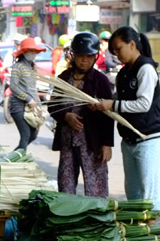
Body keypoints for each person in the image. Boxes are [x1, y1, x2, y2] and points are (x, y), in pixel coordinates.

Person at [94, 26, 160, 212]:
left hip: (147, 139)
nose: (116, 55)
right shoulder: (124, 72)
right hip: (129, 140)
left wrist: (113, 105)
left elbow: (143, 104)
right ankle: (137, 230)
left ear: (132, 44)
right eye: (113, 51)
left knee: (149, 197)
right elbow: (120, 98)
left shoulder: (146, 69)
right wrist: (103, 103)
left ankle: (149, 232)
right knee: (133, 194)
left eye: (118, 49)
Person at [48, 32, 114, 198]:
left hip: (92, 142)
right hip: (67, 141)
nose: (85, 60)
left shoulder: (101, 80)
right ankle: (68, 218)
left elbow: (109, 116)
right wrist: (66, 116)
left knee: (95, 187)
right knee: (66, 184)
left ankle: (96, 219)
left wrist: (107, 144)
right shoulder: (63, 78)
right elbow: (52, 106)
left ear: (95, 56)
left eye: (89, 56)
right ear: (73, 55)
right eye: (81, 56)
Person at [8, 36, 45, 152]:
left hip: (31, 107)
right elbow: (13, 87)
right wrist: (28, 99)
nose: (33, 53)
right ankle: (19, 162)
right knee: (25, 135)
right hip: (18, 106)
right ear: (23, 52)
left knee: (33, 135)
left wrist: (38, 106)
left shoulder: (33, 67)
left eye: (34, 51)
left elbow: (32, 88)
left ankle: (12, 157)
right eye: (30, 50)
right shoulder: (17, 67)